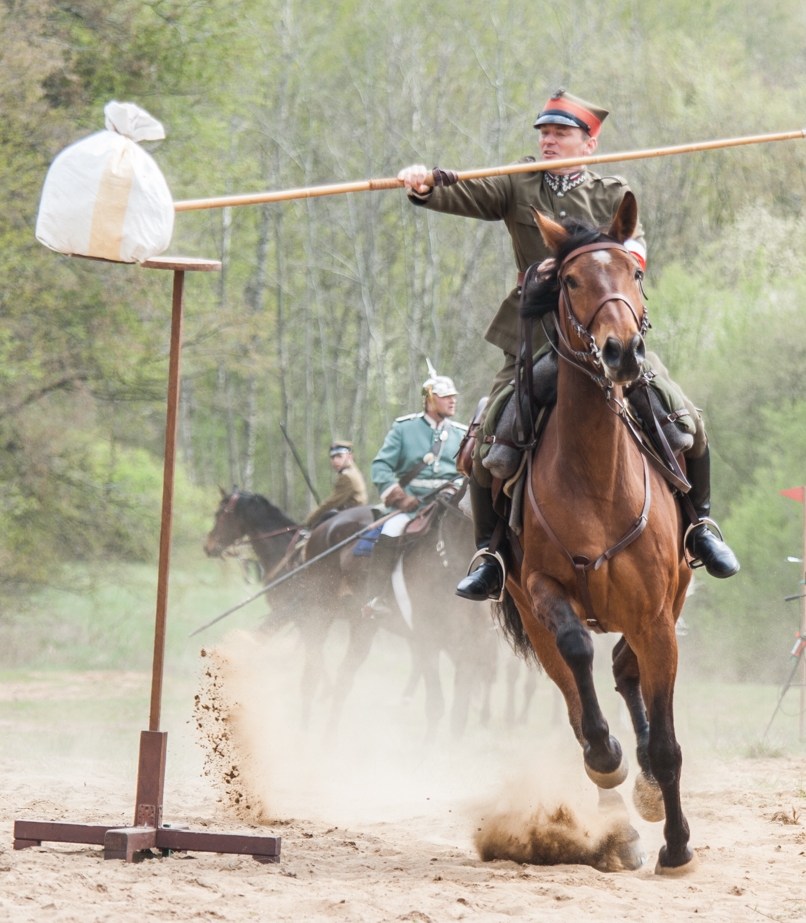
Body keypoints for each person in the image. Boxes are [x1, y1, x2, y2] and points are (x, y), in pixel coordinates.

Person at [398, 89, 738, 601]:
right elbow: (466, 194)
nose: (548, 141)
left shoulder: (613, 191)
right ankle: (490, 555)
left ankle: (700, 527)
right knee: (487, 436)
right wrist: (426, 186)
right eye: (544, 133)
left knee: (683, 415)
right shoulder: (518, 181)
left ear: (588, 144)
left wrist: (601, 266)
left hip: (606, 331)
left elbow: (635, 253)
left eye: (560, 133)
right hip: (535, 336)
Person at [364, 371, 467, 614]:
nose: (452, 400)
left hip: (451, 505)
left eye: (453, 396)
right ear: (430, 400)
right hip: (412, 507)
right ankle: (377, 598)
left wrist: (455, 489)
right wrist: (400, 497)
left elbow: (468, 472)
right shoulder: (404, 429)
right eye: (446, 396)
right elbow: (380, 467)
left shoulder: (462, 433)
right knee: (390, 532)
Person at [305, 440, 368, 528]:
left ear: (350, 457)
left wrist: (311, 520)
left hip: (351, 519)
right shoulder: (353, 472)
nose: (335, 460)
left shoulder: (347, 476)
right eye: (333, 457)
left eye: (339, 456)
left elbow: (332, 503)